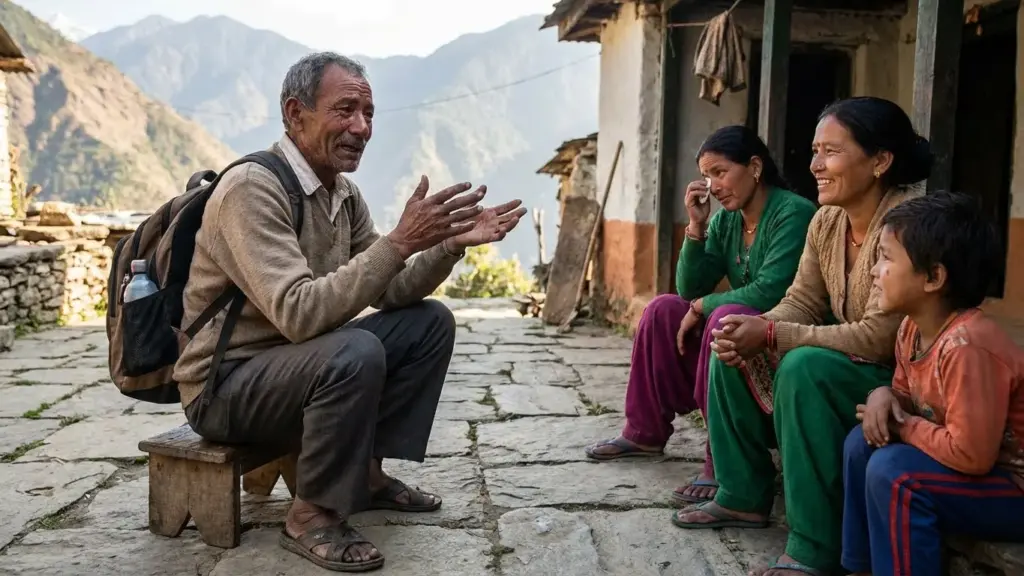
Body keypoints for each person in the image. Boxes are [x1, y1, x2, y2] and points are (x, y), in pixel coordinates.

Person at [173, 52, 525, 572]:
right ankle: (311, 515)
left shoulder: (342, 193)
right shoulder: (252, 189)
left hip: (295, 368)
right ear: (296, 114)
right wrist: (401, 240)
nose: (361, 127)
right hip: (224, 387)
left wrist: (448, 245)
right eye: (345, 110)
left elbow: (393, 288)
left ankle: (366, 475)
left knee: (428, 323)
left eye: (369, 112)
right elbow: (297, 313)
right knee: (353, 349)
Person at [672, 96, 932, 576]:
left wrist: (774, 333)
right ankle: (741, 495)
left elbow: (879, 338)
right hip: (854, 362)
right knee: (733, 339)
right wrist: (757, 329)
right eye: (814, 151)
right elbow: (802, 301)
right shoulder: (827, 220)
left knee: (803, 364)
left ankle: (815, 546)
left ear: (879, 160)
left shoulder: (908, 225)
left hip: (901, 381)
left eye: (831, 152)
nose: (815, 165)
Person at [583, 125, 816, 505]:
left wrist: (703, 307)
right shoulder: (727, 218)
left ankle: (720, 463)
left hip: (779, 347)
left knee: (726, 313)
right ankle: (643, 432)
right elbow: (690, 288)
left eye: (720, 172)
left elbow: (773, 290)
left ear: (755, 167)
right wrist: (695, 227)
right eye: (707, 176)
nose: (713, 185)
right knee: (662, 309)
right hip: (734, 344)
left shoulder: (794, 213)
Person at [842, 191, 1024, 576]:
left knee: (896, 472)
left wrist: (904, 426)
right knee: (862, 442)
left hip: (1013, 487)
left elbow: (971, 454)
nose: (874, 271)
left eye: (887, 259)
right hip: (980, 476)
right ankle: (860, 568)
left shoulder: (967, 345)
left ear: (934, 277)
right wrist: (882, 396)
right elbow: (904, 396)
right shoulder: (911, 328)